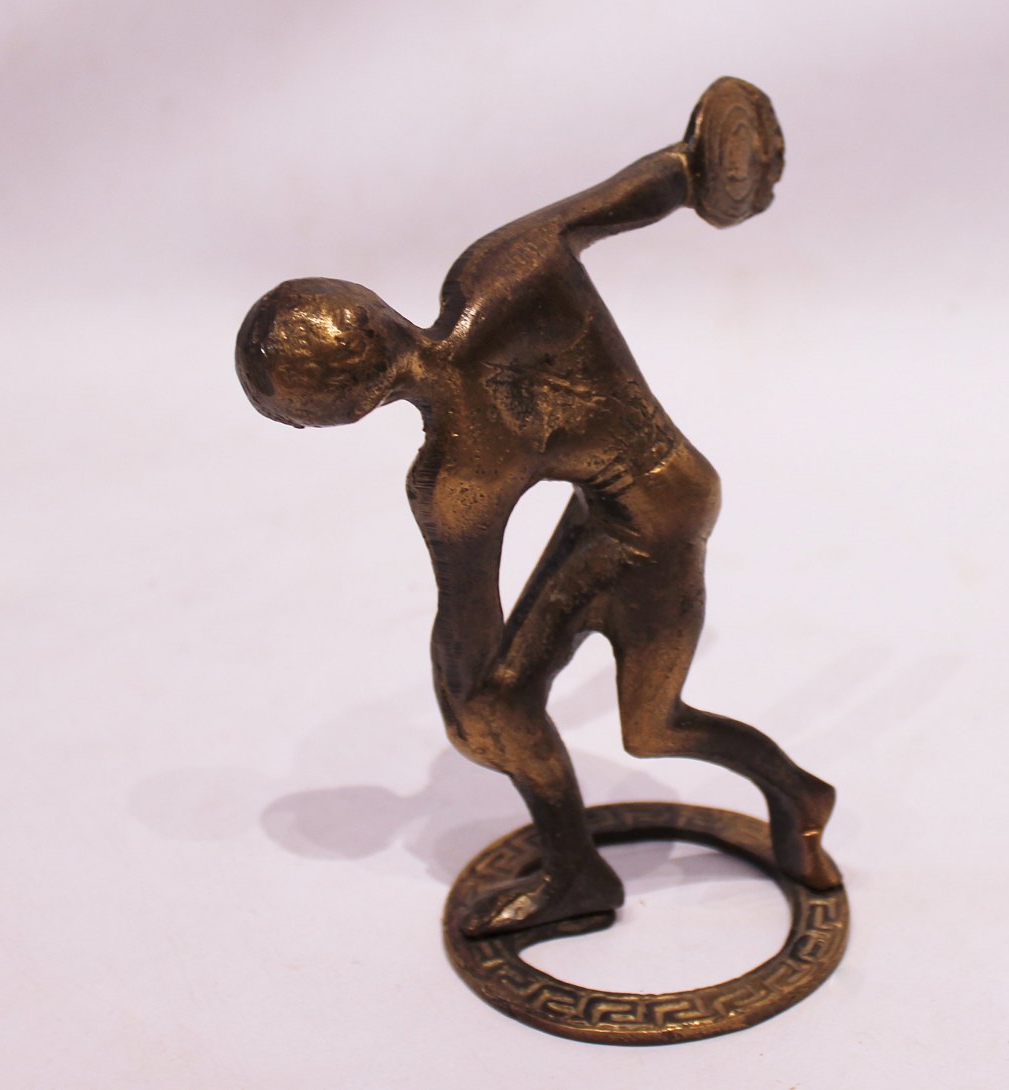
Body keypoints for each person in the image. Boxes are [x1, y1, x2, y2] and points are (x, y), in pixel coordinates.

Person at [236, 79, 839, 936]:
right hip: (640, 496)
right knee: (516, 704)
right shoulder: (500, 270)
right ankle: (581, 869)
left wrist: (468, 708)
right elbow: (643, 186)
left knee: (647, 727)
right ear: (368, 306)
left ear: (341, 413)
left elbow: (467, 623)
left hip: (657, 516)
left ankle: (792, 798)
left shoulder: (455, 475)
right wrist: (706, 171)